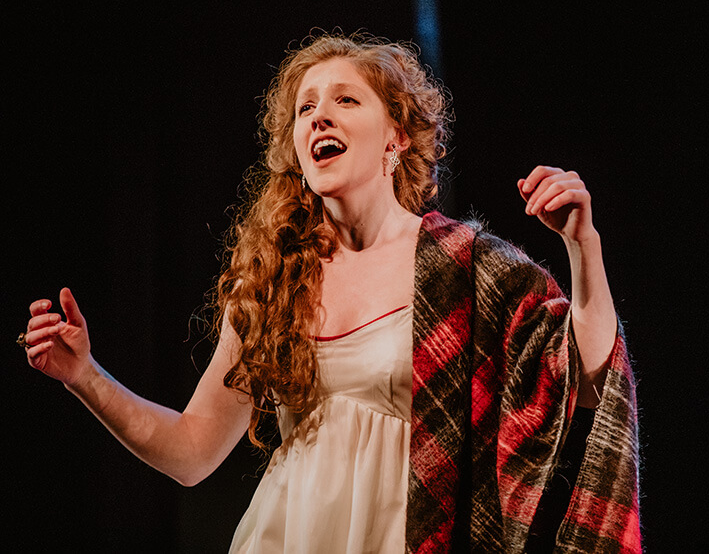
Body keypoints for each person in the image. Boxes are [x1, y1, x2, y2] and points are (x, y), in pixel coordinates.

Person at [21, 32, 640, 552]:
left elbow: (589, 379)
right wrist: (85, 376)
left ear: (396, 136)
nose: (319, 115)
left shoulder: (468, 268)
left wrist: (584, 247)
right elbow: (192, 452)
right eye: (305, 108)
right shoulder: (273, 281)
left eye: (346, 99)